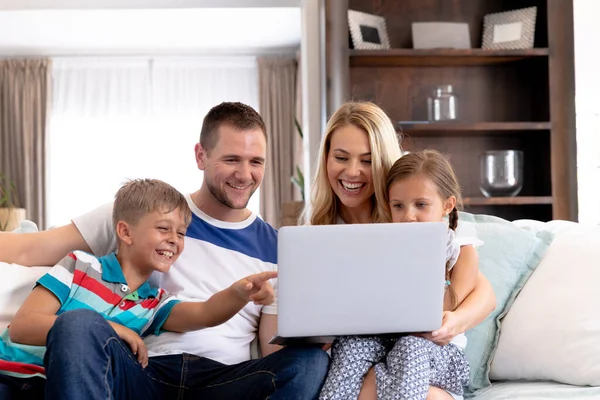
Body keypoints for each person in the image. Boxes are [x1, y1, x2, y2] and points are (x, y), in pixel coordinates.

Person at [0, 102, 329, 399]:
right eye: (231, 160)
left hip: (222, 382)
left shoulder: (279, 248)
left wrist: (271, 304)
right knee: (79, 323)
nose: (244, 174)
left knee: (310, 362)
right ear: (201, 156)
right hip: (143, 372)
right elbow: (31, 249)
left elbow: (229, 326)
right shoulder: (144, 211)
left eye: (256, 162)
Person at [0, 178, 278, 399]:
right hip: (10, 377)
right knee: (79, 323)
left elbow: (206, 312)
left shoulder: (153, 303)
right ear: (125, 232)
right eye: (163, 228)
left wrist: (240, 293)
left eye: (181, 233)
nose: (174, 240)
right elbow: (23, 327)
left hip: (55, 388)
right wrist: (112, 329)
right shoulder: (79, 265)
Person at [302, 101, 496, 400]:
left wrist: (454, 321)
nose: (353, 171)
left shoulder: (420, 224)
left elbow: (480, 292)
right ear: (326, 159)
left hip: (425, 348)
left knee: (406, 354)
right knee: (353, 349)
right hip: (370, 346)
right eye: (341, 157)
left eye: (366, 160)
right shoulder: (320, 229)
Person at [319, 150, 479, 400]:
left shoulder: (461, 251)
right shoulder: (383, 245)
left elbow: (440, 313)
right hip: (386, 346)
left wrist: (425, 255)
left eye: (421, 205)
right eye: (398, 206)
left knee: (409, 346)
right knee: (351, 346)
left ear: (447, 205)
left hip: (439, 354)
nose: (409, 216)